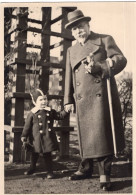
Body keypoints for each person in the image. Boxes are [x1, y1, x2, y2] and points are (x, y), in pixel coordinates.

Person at [64, 9, 127, 191]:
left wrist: (99, 67)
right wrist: (68, 99)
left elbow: (120, 59)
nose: (78, 31)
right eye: (74, 29)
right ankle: (85, 168)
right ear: (72, 32)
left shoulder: (104, 40)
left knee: (102, 135)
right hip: (82, 99)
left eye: (81, 26)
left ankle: (104, 174)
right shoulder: (71, 50)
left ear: (88, 25)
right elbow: (69, 76)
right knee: (85, 134)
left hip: (102, 97)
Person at [21, 88, 70, 178]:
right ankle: (32, 167)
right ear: (35, 101)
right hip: (36, 138)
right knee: (34, 154)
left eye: (45, 99)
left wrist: (66, 111)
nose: (44, 101)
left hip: (47, 137)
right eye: (41, 99)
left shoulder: (49, 111)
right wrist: (24, 136)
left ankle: (50, 172)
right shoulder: (32, 113)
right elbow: (27, 126)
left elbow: (59, 116)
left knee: (47, 155)